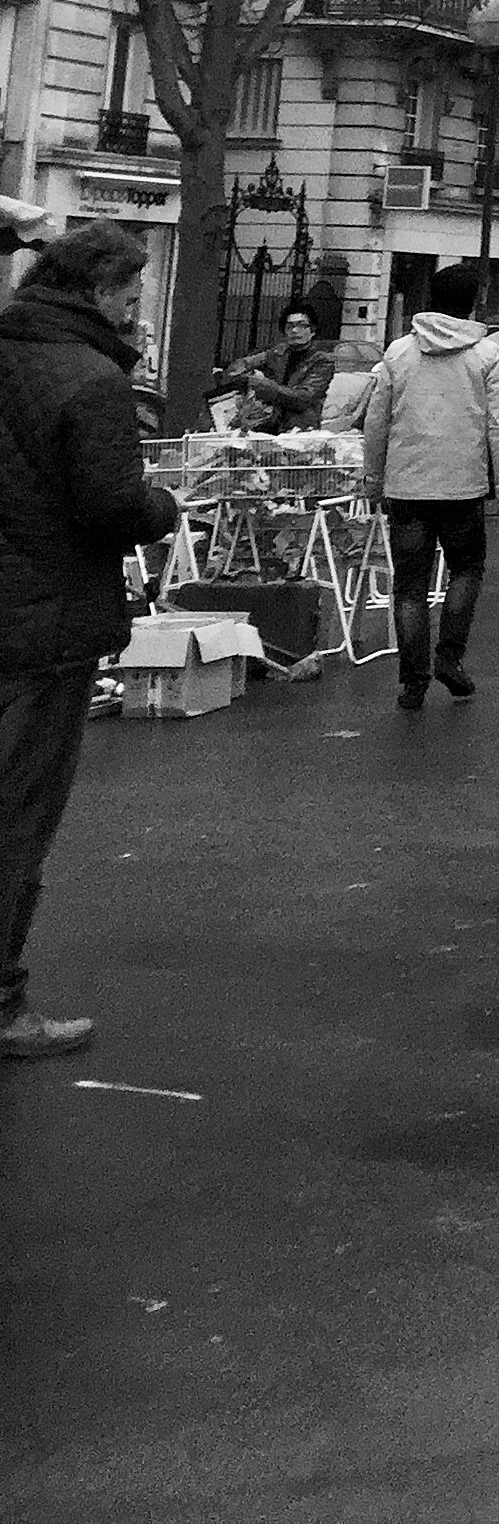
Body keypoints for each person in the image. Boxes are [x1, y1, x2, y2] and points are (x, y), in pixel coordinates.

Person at [0, 219, 181, 1059]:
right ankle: (4, 1004)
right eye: (133, 296)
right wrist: (162, 507)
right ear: (101, 293)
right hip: (44, 625)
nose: (138, 311)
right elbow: (110, 504)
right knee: (18, 813)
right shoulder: (91, 378)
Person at [361, 258, 499, 709]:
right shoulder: (485, 355)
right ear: (471, 304)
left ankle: (413, 681)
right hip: (462, 486)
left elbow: (376, 421)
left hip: (407, 486)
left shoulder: (398, 353)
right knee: (466, 570)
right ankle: (449, 657)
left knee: (410, 585)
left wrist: (373, 476)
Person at [217, 295, 337, 431]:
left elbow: (304, 398)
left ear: (312, 331)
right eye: (290, 326)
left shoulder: (322, 360)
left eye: (301, 325)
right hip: (266, 423)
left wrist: (267, 386)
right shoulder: (278, 352)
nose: (294, 331)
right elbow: (244, 364)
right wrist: (242, 373)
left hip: (299, 428)